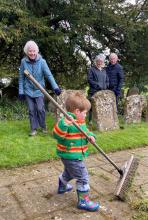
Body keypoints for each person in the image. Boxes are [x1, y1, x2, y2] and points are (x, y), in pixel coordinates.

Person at [53, 92, 99, 212]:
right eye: (85, 113)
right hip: (71, 156)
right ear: (77, 111)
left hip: (75, 155)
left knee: (69, 173)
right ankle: (83, 202)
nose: (86, 115)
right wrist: (63, 124)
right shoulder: (66, 122)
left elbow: (85, 131)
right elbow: (57, 135)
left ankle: (62, 186)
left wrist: (90, 135)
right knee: (83, 177)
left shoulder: (80, 121)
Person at [19, 40, 61, 136]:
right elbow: (21, 78)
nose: (32, 53)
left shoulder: (42, 62)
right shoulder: (23, 62)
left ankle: (43, 126)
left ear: (37, 51)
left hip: (39, 90)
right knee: (31, 110)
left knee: (40, 109)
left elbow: (49, 75)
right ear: (27, 51)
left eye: (34, 51)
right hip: (28, 90)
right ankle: (33, 129)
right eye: (30, 51)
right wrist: (21, 92)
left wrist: (55, 87)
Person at [87, 54, 109, 121]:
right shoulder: (91, 70)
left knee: (101, 106)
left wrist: (106, 86)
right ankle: (90, 120)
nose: (100, 63)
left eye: (101, 61)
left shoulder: (104, 71)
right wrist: (97, 85)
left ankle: (100, 120)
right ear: (96, 61)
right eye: (98, 61)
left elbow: (107, 80)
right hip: (94, 91)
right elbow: (90, 80)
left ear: (103, 62)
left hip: (103, 91)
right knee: (92, 106)